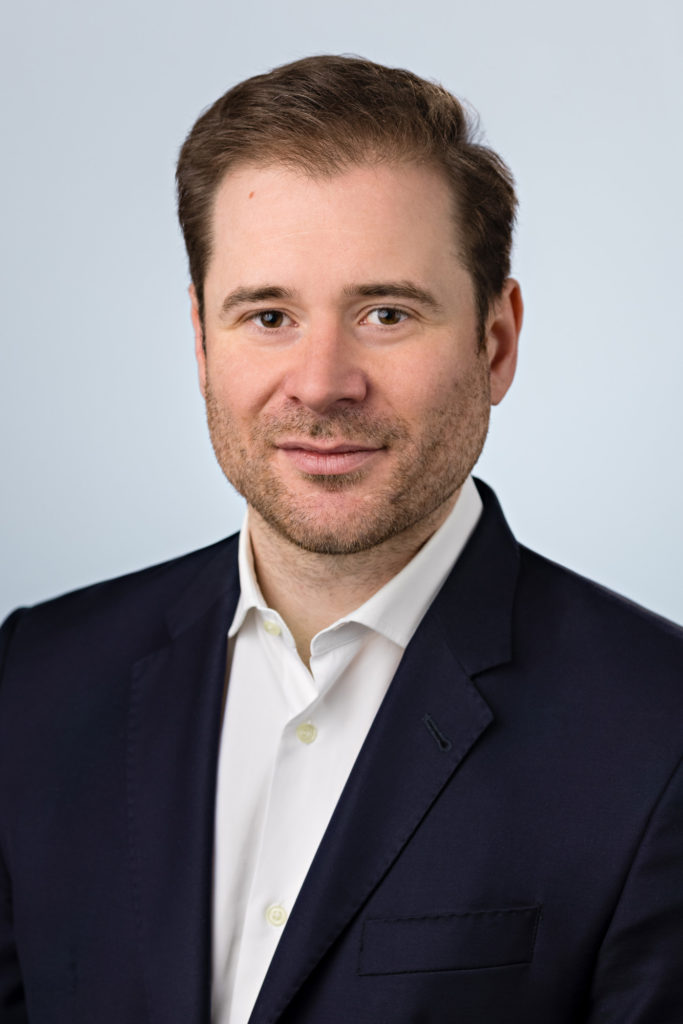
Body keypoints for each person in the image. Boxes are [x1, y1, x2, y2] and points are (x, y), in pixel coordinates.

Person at [0, 55, 681, 1024]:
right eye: (268, 315)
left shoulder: (657, 731)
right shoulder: (35, 678)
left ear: (494, 342)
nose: (321, 383)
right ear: (201, 340)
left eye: (385, 313)